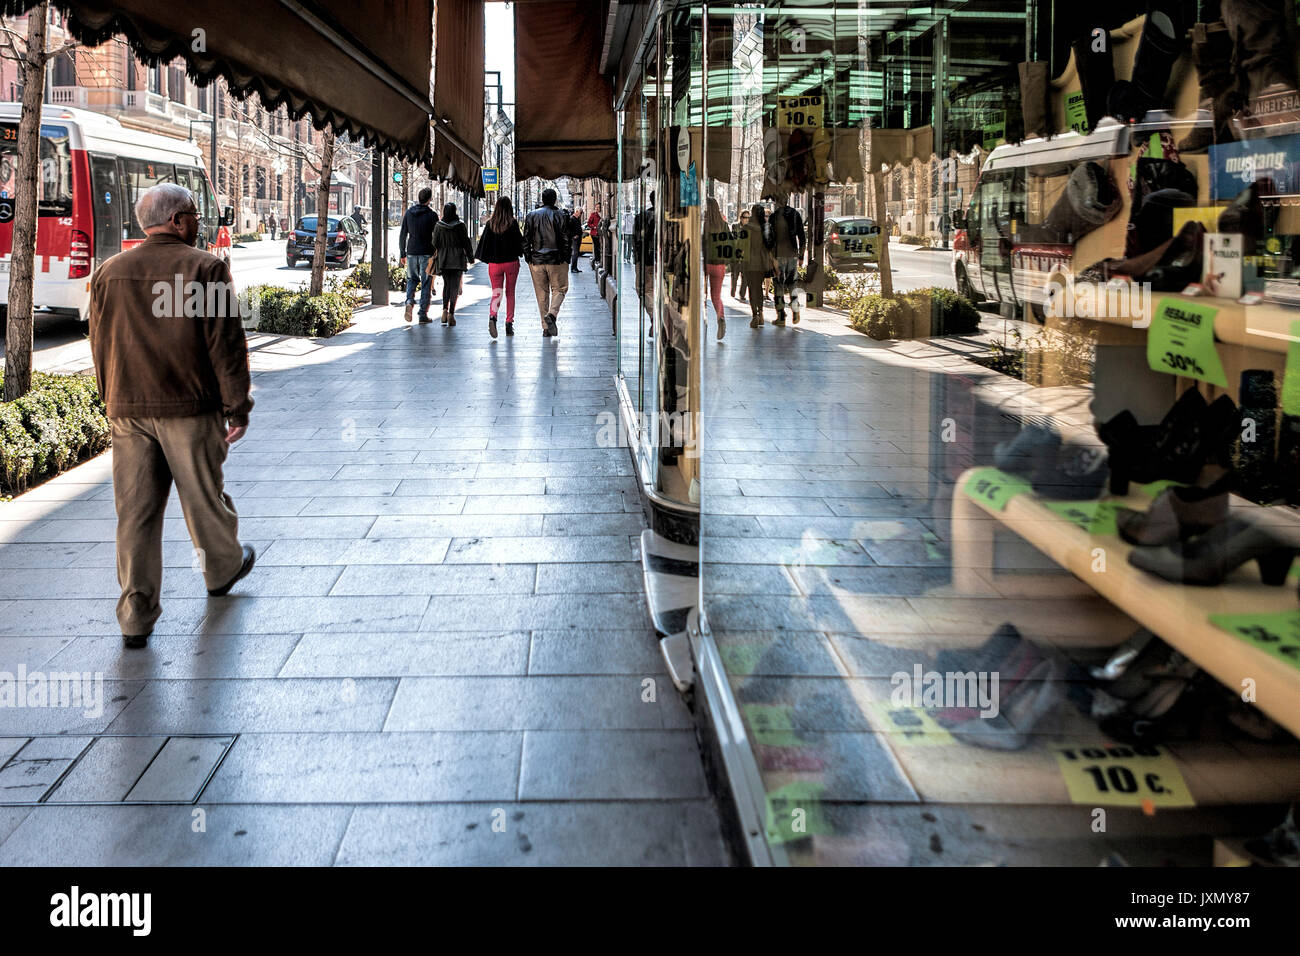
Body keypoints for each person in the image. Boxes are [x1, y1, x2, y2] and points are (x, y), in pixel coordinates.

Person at [86, 183, 256, 649]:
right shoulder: (206, 268)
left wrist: (111, 398)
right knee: (203, 498)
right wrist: (236, 405)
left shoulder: (110, 273)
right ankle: (220, 569)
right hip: (189, 406)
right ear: (178, 221)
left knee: (136, 515)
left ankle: (135, 616)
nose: (199, 222)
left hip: (128, 409)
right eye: (195, 215)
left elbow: (98, 342)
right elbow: (226, 345)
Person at [523, 187, 578, 337]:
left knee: (541, 294)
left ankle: (545, 328)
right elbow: (566, 239)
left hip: (537, 260)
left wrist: (529, 257)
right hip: (557, 260)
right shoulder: (561, 215)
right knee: (560, 289)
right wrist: (567, 257)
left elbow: (526, 239)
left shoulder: (531, 215)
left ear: (542, 199)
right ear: (554, 200)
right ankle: (552, 315)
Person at [474, 195, 523, 339]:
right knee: (510, 293)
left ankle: (493, 316)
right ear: (509, 208)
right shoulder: (512, 223)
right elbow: (519, 243)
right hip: (511, 263)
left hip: (494, 264)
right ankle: (509, 323)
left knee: (497, 292)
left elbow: (484, 245)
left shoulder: (490, 224)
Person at [429, 201, 474, 327]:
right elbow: (466, 243)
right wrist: (471, 258)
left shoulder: (439, 226)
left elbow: (434, 243)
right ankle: (451, 314)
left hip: (443, 259)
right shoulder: (460, 226)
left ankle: (444, 309)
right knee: (454, 287)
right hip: (458, 259)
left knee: (447, 285)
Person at [398, 187, 439, 323]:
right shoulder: (432, 215)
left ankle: (409, 301)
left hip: (411, 252)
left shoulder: (409, 213)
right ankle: (422, 314)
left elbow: (403, 233)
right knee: (426, 283)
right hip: (427, 253)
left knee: (411, 279)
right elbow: (436, 236)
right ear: (429, 199)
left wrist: (402, 253)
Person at [768, 193, 806, 325]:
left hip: (778, 256)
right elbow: (802, 236)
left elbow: (769, 239)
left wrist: (771, 257)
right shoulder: (795, 214)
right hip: (792, 255)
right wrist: (801, 256)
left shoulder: (773, 217)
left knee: (778, 285)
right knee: (792, 284)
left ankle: (781, 317)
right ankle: (795, 311)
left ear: (777, 203)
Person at [703, 198, 728, 340]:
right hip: (719, 264)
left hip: (704, 263)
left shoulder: (702, 224)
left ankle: (703, 322)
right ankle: (721, 318)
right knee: (716, 296)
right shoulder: (723, 224)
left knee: (702, 295)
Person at [742, 204, 771, 328]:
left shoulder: (746, 227)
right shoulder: (765, 228)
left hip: (748, 263)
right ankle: (761, 312)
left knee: (751, 289)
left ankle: (755, 315)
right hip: (761, 263)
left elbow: (741, 246)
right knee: (759, 287)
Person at [633, 192, 656, 338]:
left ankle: (655, 317)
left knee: (644, 289)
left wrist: (637, 258)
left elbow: (636, 239)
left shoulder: (642, 216)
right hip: (661, 259)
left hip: (645, 259)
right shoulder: (670, 216)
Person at [729, 207, 752, 300]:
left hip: (746, 256)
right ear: (741, 218)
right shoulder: (735, 226)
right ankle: (733, 288)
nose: (746, 219)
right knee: (735, 274)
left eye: (748, 218)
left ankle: (742, 294)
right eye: (744, 217)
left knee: (745, 277)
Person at [570, 207, 585, 273]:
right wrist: (573, 235)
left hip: (578, 238)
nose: (581, 214)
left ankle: (575, 268)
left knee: (577, 253)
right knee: (575, 253)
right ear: (576, 211)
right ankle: (573, 268)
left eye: (581, 213)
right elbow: (569, 229)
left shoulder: (577, 219)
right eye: (580, 213)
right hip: (575, 239)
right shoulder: (572, 219)